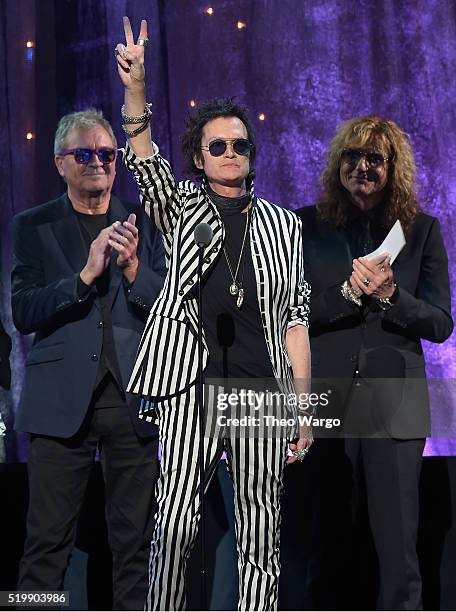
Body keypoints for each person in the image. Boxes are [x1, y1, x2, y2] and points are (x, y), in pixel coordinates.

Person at [114, 17, 312, 611]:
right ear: (199, 158)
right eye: (218, 146)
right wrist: (136, 90)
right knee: (174, 529)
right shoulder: (181, 206)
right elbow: (145, 162)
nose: (230, 153)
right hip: (189, 389)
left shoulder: (284, 223)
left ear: (252, 155)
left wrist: (301, 408)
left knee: (260, 536)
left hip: (260, 392)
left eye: (240, 145)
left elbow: (295, 318)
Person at [297, 115, 453, 610]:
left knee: (397, 547)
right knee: (327, 542)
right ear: (337, 162)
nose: (361, 167)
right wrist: (346, 293)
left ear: (392, 169)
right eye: (352, 156)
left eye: (374, 159)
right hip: (326, 398)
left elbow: (440, 322)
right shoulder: (304, 226)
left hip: (394, 400)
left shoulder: (422, 231)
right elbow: (288, 313)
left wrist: (390, 295)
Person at [12, 109, 166, 610]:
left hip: (133, 401)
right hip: (60, 409)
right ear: (61, 163)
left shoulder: (144, 221)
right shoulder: (32, 226)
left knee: (135, 547)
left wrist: (133, 268)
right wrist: (82, 277)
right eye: (85, 154)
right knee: (45, 547)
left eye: (107, 153)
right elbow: (24, 311)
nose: (98, 162)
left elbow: (168, 303)